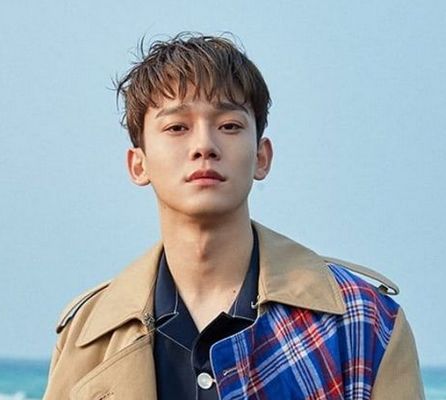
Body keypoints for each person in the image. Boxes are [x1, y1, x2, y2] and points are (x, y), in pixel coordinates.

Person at [43, 33, 424, 400]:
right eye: (177, 127)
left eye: (229, 126)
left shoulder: (362, 318)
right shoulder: (87, 336)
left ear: (261, 157)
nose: (204, 146)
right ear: (138, 164)